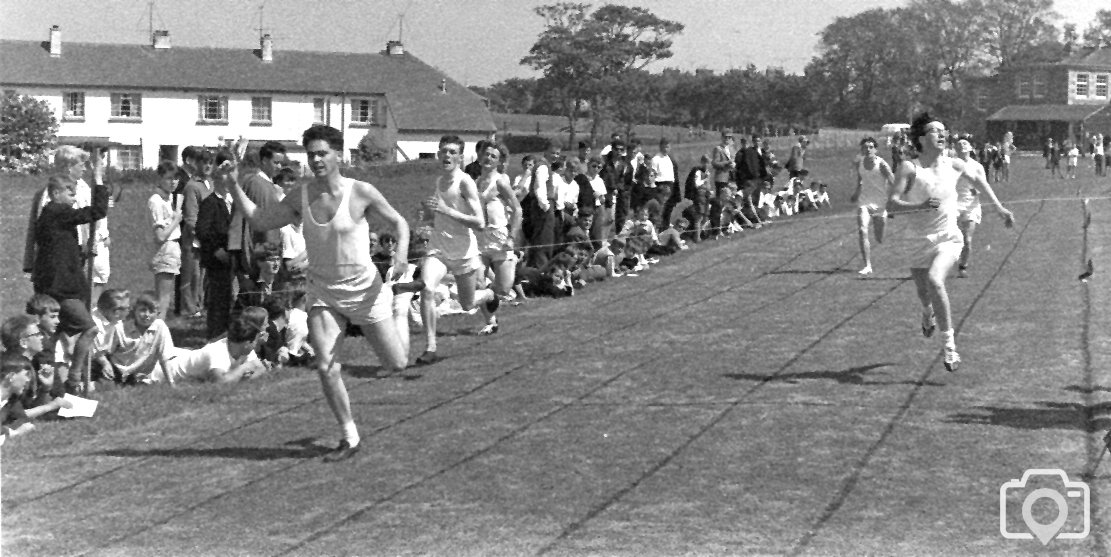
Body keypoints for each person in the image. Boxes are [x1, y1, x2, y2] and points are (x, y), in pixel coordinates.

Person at [227, 125, 410, 462]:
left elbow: (400, 224)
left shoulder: (361, 192)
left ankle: (401, 304)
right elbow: (259, 219)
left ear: (338, 154)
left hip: (364, 290)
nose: (317, 159)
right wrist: (232, 185)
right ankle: (349, 437)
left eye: (323, 152)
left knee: (396, 363)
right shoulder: (301, 195)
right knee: (326, 366)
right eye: (311, 154)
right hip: (323, 291)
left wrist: (399, 257)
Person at [888, 113, 1014, 372]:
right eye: (935, 131)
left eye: (944, 130)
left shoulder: (954, 165)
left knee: (936, 280)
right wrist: (920, 206)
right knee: (924, 294)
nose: (943, 134)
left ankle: (950, 348)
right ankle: (927, 313)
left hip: (948, 238)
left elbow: (979, 180)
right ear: (922, 138)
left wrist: (1000, 208)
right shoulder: (910, 168)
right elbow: (891, 204)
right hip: (918, 241)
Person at [416, 135, 500, 364]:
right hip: (438, 248)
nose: (447, 155)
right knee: (427, 289)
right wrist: (427, 215)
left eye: (452, 152)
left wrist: (445, 210)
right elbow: (439, 213)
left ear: (461, 158)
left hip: (464, 252)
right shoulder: (438, 181)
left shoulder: (465, 182)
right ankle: (430, 347)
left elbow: (479, 222)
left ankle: (490, 295)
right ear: (438, 154)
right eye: (443, 151)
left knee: (467, 304)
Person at [31, 173, 109, 394]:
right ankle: (73, 379)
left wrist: (82, 254)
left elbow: (59, 248)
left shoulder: (50, 215)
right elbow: (96, 212)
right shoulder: (57, 211)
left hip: (53, 283)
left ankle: (48, 384)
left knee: (53, 335)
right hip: (60, 288)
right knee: (90, 328)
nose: (74, 198)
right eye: (71, 193)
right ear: (56, 194)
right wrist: (100, 181)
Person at [476, 142, 522, 336]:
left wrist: (512, 237)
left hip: (500, 241)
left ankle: (514, 261)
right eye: (486, 155)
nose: (488, 159)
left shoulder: (501, 182)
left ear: (498, 161)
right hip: (479, 241)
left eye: (493, 156)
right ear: (479, 157)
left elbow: (518, 210)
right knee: (477, 283)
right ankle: (491, 322)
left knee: (503, 289)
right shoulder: (475, 182)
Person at [952, 134, 1013, 279]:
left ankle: (962, 267)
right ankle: (938, 264)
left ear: (970, 150)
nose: (962, 149)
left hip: (970, 206)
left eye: (965, 147)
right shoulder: (951, 164)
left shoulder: (976, 166)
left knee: (967, 239)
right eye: (959, 147)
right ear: (956, 150)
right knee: (949, 237)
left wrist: (976, 191)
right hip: (953, 205)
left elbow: (983, 185)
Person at [152, 312, 269, 384]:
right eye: (256, 340)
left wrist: (240, 378)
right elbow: (221, 383)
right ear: (247, 343)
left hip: (181, 355)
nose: (257, 343)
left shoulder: (245, 349)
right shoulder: (217, 352)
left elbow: (261, 369)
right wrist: (244, 369)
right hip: (163, 369)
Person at [196, 150, 238, 340]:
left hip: (233, 257)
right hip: (217, 259)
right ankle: (215, 335)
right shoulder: (210, 202)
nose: (227, 180)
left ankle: (229, 334)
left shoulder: (233, 202)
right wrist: (216, 250)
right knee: (218, 300)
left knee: (231, 299)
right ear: (216, 178)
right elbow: (203, 231)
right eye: (224, 176)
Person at [851, 137, 894, 276]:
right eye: (865, 147)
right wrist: (856, 193)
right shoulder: (860, 164)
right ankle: (867, 265)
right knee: (862, 230)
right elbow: (860, 180)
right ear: (862, 150)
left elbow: (893, 182)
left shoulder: (882, 164)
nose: (868, 149)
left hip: (881, 205)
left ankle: (880, 230)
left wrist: (893, 201)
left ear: (875, 149)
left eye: (870, 147)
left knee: (879, 237)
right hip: (864, 202)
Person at [179, 148, 214, 318]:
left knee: (204, 276)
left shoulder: (211, 183)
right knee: (192, 275)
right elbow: (191, 217)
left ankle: (201, 304)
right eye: (204, 162)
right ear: (196, 164)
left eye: (210, 162)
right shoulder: (192, 186)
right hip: (194, 239)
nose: (207, 166)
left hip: (209, 237)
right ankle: (189, 309)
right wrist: (202, 235)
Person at [149, 161, 185, 320]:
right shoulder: (156, 201)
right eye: (169, 178)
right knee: (162, 299)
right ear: (160, 178)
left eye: (176, 178)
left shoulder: (169, 198)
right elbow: (160, 236)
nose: (173, 182)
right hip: (165, 248)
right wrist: (177, 220)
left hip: (172, 247)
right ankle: (157, 330)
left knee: (165, 297)